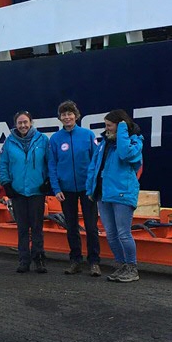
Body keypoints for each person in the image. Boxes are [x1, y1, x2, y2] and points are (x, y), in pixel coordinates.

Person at [86, 109, 144, 283]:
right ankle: (121, 264)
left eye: (110, 125)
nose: (107, 129)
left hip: (122, 193)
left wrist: (123, 132)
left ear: (121, 126)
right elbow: (94, 166)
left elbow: (125, 154)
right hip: (104, 194)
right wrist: (91, 189)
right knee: (111, 233)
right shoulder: (104, 143)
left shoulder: (135, 142)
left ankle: (132, 267)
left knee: (123, 233)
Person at [48, 101, 101, 277]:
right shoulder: (55, 139)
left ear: (76, 116)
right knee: (71, 226)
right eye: (63, 114)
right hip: (66, 190)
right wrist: (56, 188)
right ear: (60, 118)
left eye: (70, 113)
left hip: (87, 189)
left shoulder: (87, 135)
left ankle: (94, 262)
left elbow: (96, 161)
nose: (67, 117)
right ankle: (75, 260)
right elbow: (52, 165)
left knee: (91, 226)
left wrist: (94, 186)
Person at [0, 110, 49, 274]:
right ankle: (23, 260)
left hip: (36, 191)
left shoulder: (42, 140)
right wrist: (6, 184)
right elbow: (3, 164)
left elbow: (49, 162)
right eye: (20, 123)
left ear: (31, 122)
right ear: (15, 124)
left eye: (25, 122)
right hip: (18, 191)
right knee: (22, 228)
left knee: (36, 227)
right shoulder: (9, 142)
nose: (23, 125)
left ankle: (39, 259)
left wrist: (47, 181)